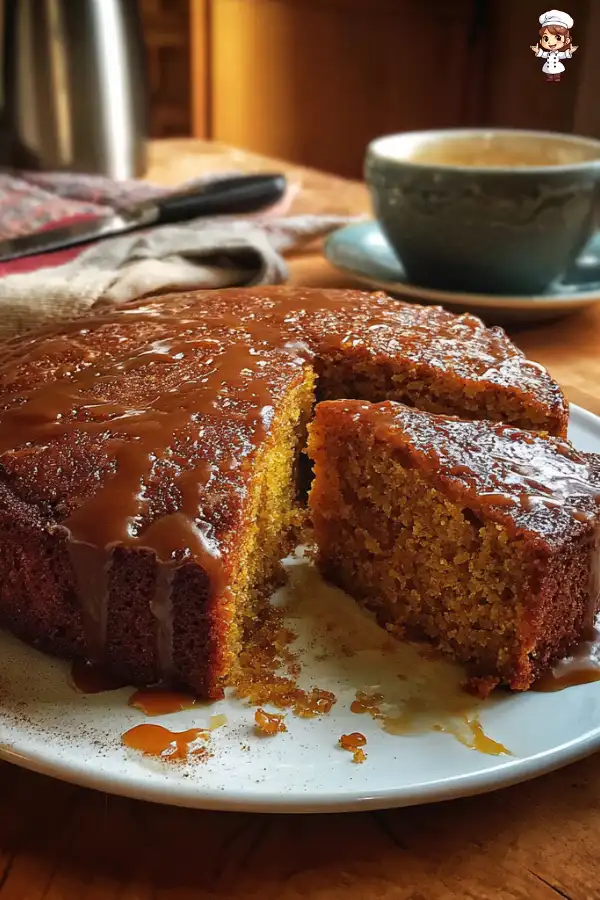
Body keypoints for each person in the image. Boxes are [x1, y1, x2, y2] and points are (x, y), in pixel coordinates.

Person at [531, 9, 578, 82]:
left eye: (558, 38)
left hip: (556, 67)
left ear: (566, 41)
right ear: (541, 41)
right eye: (546, 38)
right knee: (548, 73)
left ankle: (556, 77)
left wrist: (570, 52)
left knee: (557, 73)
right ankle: (550, 77)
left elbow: (564, 55)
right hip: (548, 66)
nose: (551, 43)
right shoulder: (548, 53)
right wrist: (538, 51)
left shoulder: (558, 54)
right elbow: (543, 54)